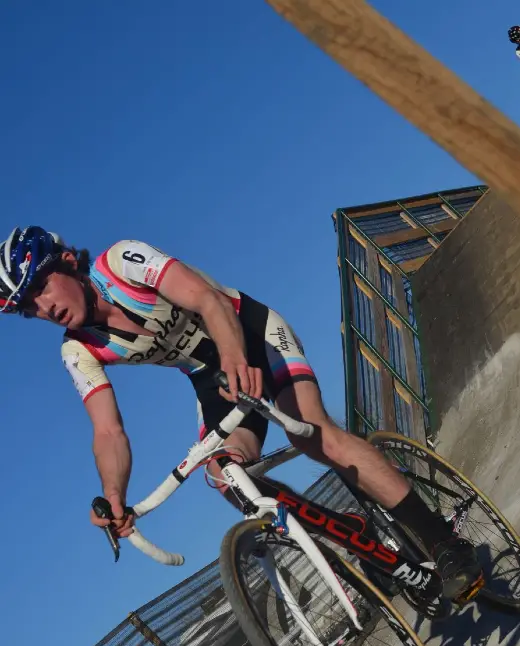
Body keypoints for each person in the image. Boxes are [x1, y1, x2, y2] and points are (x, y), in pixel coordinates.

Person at [0, 225, 481, 597]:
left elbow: (207, 300)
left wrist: (234, 357)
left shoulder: (121, 261)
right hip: (210, 377)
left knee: (312, 434)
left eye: (41, 286)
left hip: (249, 334)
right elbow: (108, 431)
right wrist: (114, 497)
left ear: (66, 261)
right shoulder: (76, 351)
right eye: (29, 308)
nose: (44, 307)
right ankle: (352, 534)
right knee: (226, 477)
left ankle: (446, 544)